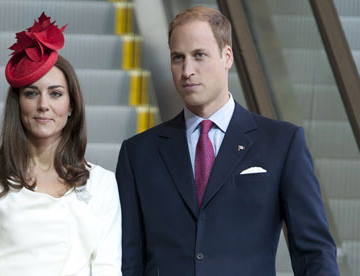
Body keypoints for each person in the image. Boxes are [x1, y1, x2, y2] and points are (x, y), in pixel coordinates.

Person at [116, 6, 339, 276]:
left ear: (227, 56)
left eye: (199, 55)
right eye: (178, 58)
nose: (187, 70)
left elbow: (314, 252)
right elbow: (128, 258)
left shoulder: (282, 142)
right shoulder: (137, 153)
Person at [0, 13, 122, 276]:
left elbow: (108, 268)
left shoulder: (102, 183)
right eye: (32, 93)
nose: (43, 105)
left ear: (71, 105)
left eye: (56, 93)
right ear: (18, 103)